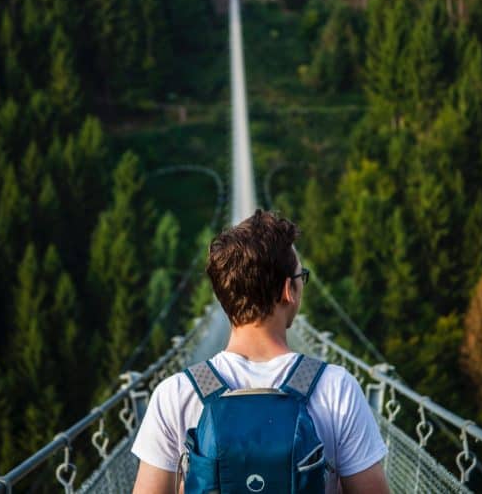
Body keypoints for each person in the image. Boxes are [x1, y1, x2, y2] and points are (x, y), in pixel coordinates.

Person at [131, 210, 389, 493]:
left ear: (222, 295)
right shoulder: (337, 388)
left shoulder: (175, 393)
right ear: (288, 290)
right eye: (301, 276)